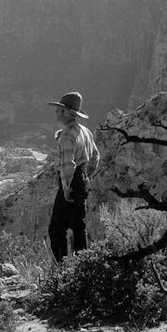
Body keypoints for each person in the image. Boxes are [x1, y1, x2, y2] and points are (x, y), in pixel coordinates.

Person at [46, 91, 100, 262]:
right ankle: (82, 265)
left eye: (59, 109)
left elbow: (68, 165)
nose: (56, 112)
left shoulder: (67, 136)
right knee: (79, 227)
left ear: (67, 112)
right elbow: (95, 156)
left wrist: (67, 188)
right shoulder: (85, 131)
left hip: (71, 183)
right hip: (82, 181)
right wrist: (86, 176)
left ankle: (62, 269)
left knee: (56, 229)